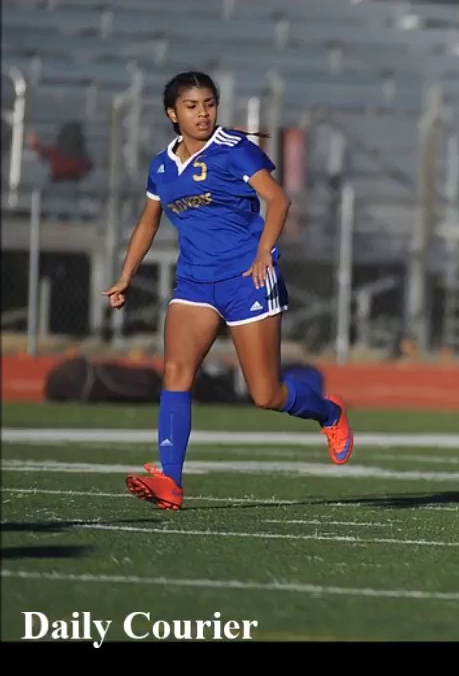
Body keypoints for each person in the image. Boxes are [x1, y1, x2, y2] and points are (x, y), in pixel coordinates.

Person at [105, 71, 354, 511]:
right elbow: (149, 220)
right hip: (196, 282)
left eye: (209, 103)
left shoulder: (234, 150)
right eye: (191, 106)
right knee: (176, 373)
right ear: (172, 114)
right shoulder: (162, 166)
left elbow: (278, 200)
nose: (202, 113)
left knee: (266, 395)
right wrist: (126, 274)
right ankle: (171, 482)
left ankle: (329, 413)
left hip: (247, 279)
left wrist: (264, 252)